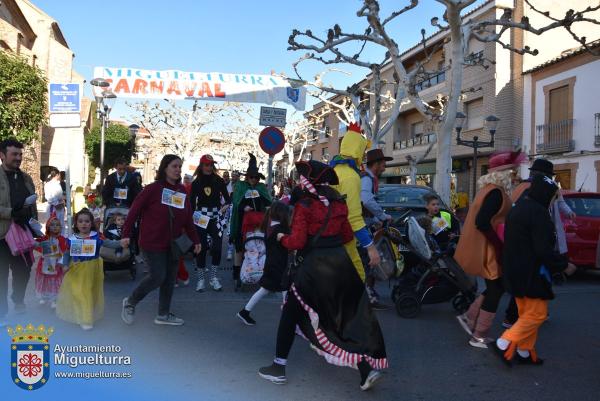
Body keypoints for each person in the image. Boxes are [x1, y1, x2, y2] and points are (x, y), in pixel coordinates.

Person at [258, 160, 387, 391]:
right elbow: (347, 236)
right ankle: (365, 369)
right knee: (341, 321)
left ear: (308, 181)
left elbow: (296, 242)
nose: (299, 182)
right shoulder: (339, 203)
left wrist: (279, 238)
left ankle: (278, 368)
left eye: (301, 178)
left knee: (290, 314)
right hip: (341, 265)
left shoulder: (305, 205)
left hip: (313, 269)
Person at [493, 174, 576, 365]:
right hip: (532, 272)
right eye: (553, 196)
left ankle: (524, 351)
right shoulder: (538, 213)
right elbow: (542, 249)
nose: (554, 200)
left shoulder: (519, 208)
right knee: (537, 314)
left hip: (514, 268)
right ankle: (504, 342)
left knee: (526, 313)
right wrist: (563, 265)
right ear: (545, 194)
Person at [454, 151, 526, 348]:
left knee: (496, 287)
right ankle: (478, 335)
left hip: (491, 248)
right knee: (496, 288)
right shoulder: (495, 192)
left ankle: (470, 319)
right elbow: (482, 222)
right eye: (512, 172)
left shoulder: (490, 190)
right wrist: (499, 244)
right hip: (491, 249)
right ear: (503, 173)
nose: (515, 176)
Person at [120, 155, 201, 326]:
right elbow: (134, 211)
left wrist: (196, 240)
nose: (178, 169)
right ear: (165, 168)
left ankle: (163, 314)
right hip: (151, 242)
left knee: (170, 279)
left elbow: (187, 218)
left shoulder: (181, 191)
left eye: (180, 166)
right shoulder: (153, 189)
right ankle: (130, 302)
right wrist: (126, 234)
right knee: (157, 276)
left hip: (173, 243)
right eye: (174, 166)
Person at [503, 158, 576, 328]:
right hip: (532, 242)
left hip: (530, 241)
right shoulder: (529, 191)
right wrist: (562, 265)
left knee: (536, 279)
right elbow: (541, 247)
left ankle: (529, 315)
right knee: (531, 280)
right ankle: (515, 323)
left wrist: (569, 213)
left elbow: (560, 203)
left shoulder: (548, 189)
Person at [56, 208, 124, 330]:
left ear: (91, 223)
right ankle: (85, 319)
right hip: (76, 270)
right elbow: (67, 253)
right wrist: (65, 265)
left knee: (89, 293)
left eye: (87, 221)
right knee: (79, 293)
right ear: (76, 224)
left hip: (93, 269)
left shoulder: (96, 237)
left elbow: (109, 243)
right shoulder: (72, 239)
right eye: (81, 221)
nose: (84, 224)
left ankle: (86, 317)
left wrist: (121, 243)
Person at [330, 123, 380, 283]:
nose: (364, 155)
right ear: (356, 149)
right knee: (358, 278)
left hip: (329, 238)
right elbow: (353, 217)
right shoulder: (351, 177)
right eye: (363, 150)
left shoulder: (334, 171)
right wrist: (371, 247)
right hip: (343, 238)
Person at [0, 139, 37, 325]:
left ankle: (18, 299)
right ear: (2, 155)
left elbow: (33, 205)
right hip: (2, 235)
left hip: (23, 232)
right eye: (14, 154)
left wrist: (36, 229)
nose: (18, 158)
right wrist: (10, 213)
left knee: (24, 270)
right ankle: (1, 313)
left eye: (20, 154)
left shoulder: (26, 178)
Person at [237, 201, 290, 325]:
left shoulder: (270, 226)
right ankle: (289, 321)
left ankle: (245, 312)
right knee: (284, 289)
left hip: (272, 264)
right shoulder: (280, 229)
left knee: (268, 290)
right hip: (278, 265)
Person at [230, 154, 271, 290]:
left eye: (256, 177)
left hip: (258, 223)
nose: (253, 179)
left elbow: (267, 201)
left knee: (259, 248)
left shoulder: (261, 187)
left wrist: (268, 206)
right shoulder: (241, 186)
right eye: (251, 177)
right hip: (242, 221)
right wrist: (244, 207)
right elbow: (236, 202)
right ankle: (236, 276)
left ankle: (259, 274)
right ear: (247, 176)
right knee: (240, 248)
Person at [190, 154, 230, 292]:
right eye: (206, 165)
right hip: (201, 218)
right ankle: (201, 280)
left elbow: (228, 200)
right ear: (201, 166)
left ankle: (213, 278)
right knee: (201, 248)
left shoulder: (218, 180)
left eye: (211, 165)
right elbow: (190, 204)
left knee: (217, 248)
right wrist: (192, 218)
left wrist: (222, 210)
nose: (208, 167)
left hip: (215, 218)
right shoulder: (196, 183)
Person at [360, 148, 393, 309]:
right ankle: (368, 295)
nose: (384, 168)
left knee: (367, 260)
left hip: (364, 221)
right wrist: (381, 216)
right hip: (360, 224)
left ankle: (368, 292)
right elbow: (365, 200)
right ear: (376, 165)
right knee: (369, 260)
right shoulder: (367, 178)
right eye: (383, 164)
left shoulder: (369, 178)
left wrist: (375, 219)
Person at [33, 213, 67, 309]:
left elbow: (65, 251)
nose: (55, 227)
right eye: (52, 225)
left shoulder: (62, 239)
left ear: (60, 227)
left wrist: (62, 260)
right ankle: (44, 296)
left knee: (54, 281)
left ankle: (54, 299)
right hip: (45, 263)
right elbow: (38, 246)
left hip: (56, 264)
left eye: (57, 225)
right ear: (48, 227)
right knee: (45, 280)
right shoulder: (44, 238)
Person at [44, 168, 65, 233]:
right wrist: (56, 204)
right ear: (57, 175)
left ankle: (60, 239)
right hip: (53, 207)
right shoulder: (49, 184)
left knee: (60, 224)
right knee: (53, 225)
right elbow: (49, 197)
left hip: (59, 206)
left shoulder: (57, 183)